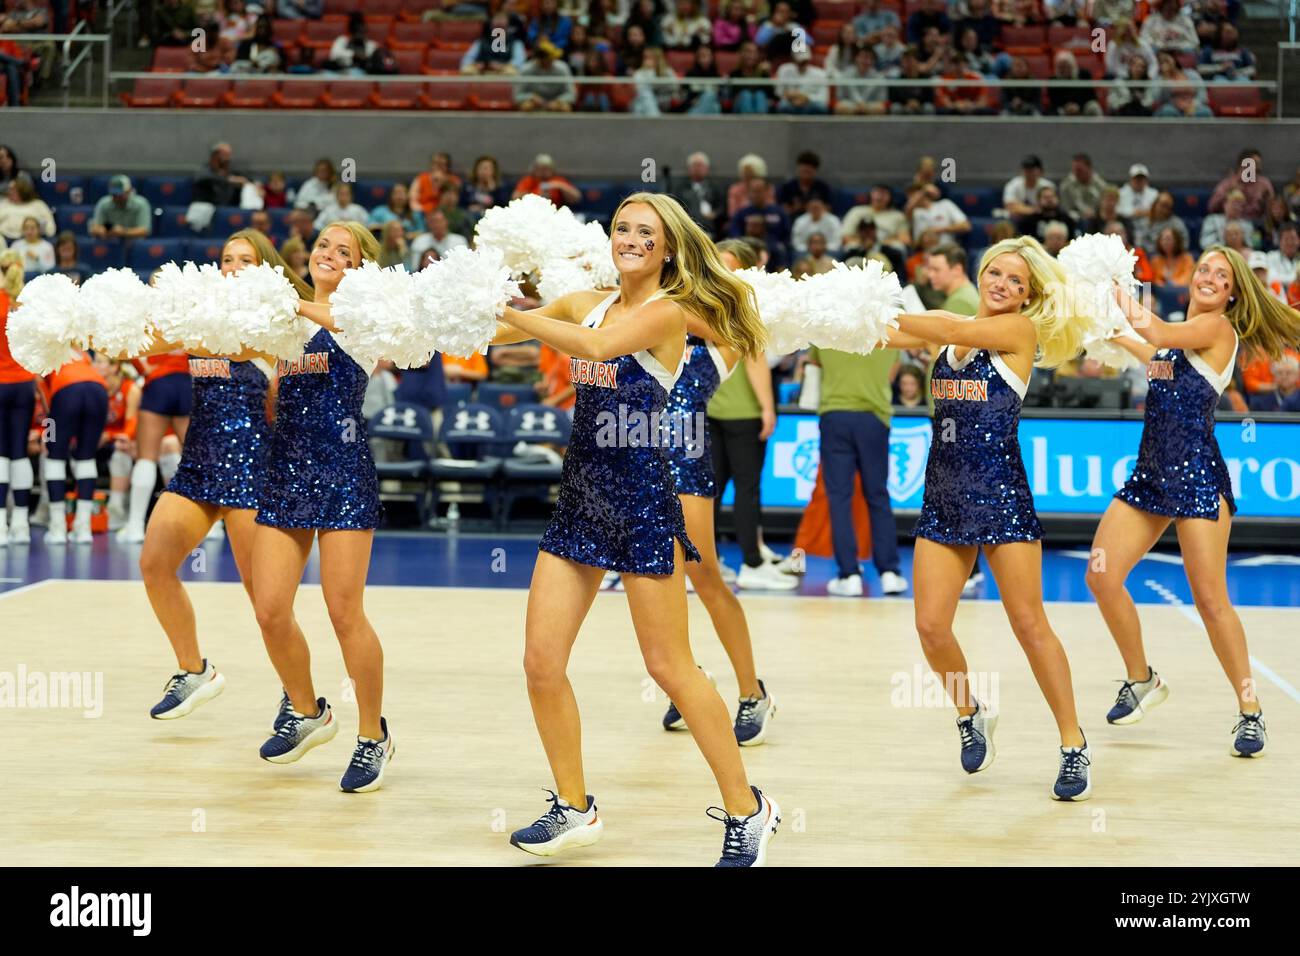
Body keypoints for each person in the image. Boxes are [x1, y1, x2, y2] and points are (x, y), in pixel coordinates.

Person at [489, 193, 780, 866]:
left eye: (646, 232)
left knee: (670, 667)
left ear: (669, 248)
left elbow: (593, 346)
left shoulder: (669, 313)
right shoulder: (581, 301)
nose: (630, 238)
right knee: (540, 662)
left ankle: (748, 807)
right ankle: (573, 806)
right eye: (622, 227)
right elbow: (490, 333)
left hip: (646, 499)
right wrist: (427, 307)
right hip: (580, 499)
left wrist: (517, 313)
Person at [888, 236, 1095, 800]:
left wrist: (894, 311)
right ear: (981, 274)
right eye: (996, 273)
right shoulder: (947, 334)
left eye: (1017, 281)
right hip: (944, 497)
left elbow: (950, 329)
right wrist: (826, 316)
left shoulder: (1015, 333)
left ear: (1028, 298)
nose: (1003, 284)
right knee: (931, 628)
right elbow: (881, 336)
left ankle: (1074, 743)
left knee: (1029, 624)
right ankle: (971, 712)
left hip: (1000, 493)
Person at [1091, 247, 1300, 756]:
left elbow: (1157, 332)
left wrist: (1108, 279)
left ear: (1231, 293)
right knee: (1100, 574)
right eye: (1204, 269)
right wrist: (1079, 316)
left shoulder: (1216, 330)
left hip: (1199, 479)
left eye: (1221, 275)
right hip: (1152, 478)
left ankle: (1250, 710)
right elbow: (1146, 348)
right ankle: (1141, 679)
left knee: (1210, 601)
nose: (1209, 277)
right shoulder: (1171, 351)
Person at [143, 231, 315, 721]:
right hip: (198, 465)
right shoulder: (203, 317)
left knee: (266, 604)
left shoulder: (273, 326)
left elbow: (237, 351)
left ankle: (299, 698)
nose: (233, 266)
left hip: (251, 473)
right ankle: (193, 669)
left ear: (265, 268)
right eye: (226, 259)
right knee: (155, 564)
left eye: (245, 259)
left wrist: (182, 322)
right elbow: (149, 342)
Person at [250, 221, 393, 792]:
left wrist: (293, 307)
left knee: (343, 611)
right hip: (285, 471)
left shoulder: (361, 319)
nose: (329, 254)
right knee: (268, 608)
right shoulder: (290, 319)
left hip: (343, 470)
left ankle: (372, 736)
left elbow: (342, 322)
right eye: (323, 245)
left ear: (360, 267)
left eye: (344, 250)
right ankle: (308, 710)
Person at [807, 330, 908, 597]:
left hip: (834, 416)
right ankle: (889, 572)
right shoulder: (886, 332)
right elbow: (891, 373)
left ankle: (848, 573)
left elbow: (815, 366)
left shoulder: (825, 330)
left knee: (839, 498)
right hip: (874, 417)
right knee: (877, 495)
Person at [0, 251, 34, 546]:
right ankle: (21, 523)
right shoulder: (29, 305)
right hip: (24, 384)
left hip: (0, 383)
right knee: (19, 451)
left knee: (0, 453)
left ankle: (0, 525)